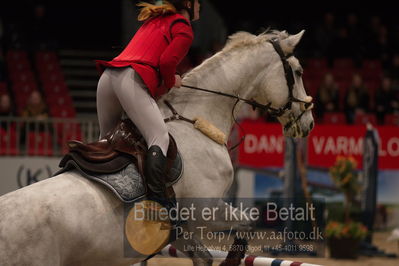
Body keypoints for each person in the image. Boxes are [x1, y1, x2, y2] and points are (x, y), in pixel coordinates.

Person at [95, 0, 200, 204]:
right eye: (197, 2)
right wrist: (171, 81)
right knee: (159, 137)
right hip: (131, 78)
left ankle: (103, 194)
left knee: (105, 141)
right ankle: (157, 205)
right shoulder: (183, 27)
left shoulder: (156, 18)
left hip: (108, 77)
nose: (199, 6)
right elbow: (167, 62)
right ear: (188, 4)